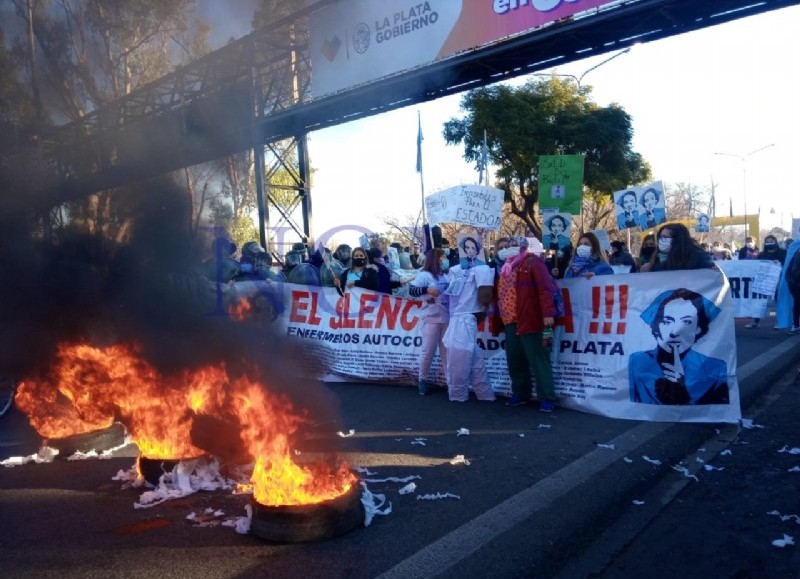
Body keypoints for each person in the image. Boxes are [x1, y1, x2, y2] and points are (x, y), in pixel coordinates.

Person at [629, 288, 729, 405]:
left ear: (698, 329)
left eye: (686, 322)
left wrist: (681, 388)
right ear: (656, 326)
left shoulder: (716, 368)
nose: (675, 331)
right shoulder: (637, 361)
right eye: (667, 321)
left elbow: (716, 411)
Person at [496, 236, 558, 412]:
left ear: (524, 247)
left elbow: (545, 289)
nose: (509, 248)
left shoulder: (533, 262)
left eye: (514, 245)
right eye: (507, 246)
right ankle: (520, 393)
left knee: (538, 357)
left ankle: (546, 397)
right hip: (510, 321)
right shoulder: (506, 268)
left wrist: (548, 314)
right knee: (515, 360)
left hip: (530, 318)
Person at [441, 261, 496, 403]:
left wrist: (484, 308)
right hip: (462, 317)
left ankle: (458, 396)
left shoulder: (480, 268)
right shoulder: (457, 269)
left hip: (463, 317)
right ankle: (485, 395)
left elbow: (485, 295)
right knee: (474, 360)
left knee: (458, 359)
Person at [408, 249, 450, 395]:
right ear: (435, 259)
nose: (445, 260)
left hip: (447, 317)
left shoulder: (446, 275)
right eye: (442, 257)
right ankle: (423, 380)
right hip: (431, 317)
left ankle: (450, 381)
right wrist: (427, 290)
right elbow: (411, 290)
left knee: (447, 352)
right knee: (428, 351)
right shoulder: (424, 275)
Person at [640, 223, 715, 272]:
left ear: (677, 239)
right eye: (660, 237)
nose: (661, 240)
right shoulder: (656, 258)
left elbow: (710, 277)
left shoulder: (698, 256)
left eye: (665, 237)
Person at [776, 238, 800, 334]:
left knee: (797, 303)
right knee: (797, 303)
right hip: (795, 281)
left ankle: (796, 325)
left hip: (793, 280)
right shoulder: (795, 247)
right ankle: (795, 324)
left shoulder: (794, 246)